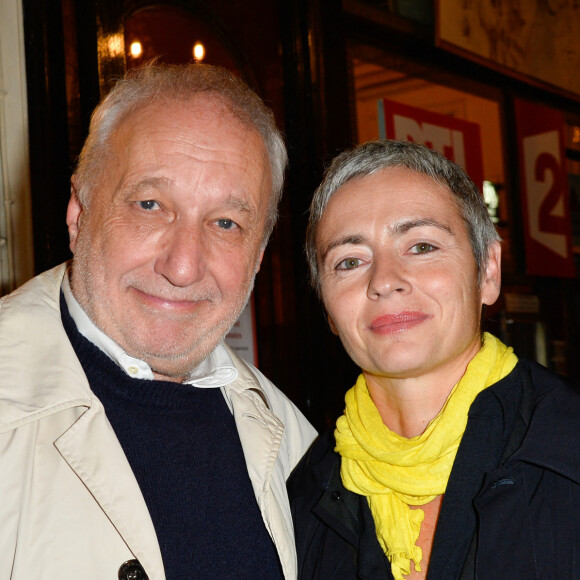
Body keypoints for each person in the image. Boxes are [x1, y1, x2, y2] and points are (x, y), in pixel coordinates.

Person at [0, 63, 316, 580]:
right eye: (150, 204)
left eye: (226, 223)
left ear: (259, 253)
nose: (183, 265)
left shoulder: (299, 448)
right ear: (79, 213)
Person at [288, 139, 580, 580]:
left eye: (421, 246)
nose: (385, 281)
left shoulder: (566, 448)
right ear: (328, 310)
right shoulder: (296, 497)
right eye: (350, 261)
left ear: (488, 272)